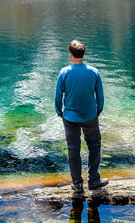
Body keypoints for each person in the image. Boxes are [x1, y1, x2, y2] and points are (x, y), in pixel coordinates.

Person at [55, 39, 109, 194]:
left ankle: (77, 184)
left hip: (70, 117)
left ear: (71, 55)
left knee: (73, 149)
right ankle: (93, 180)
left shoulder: (64, 72)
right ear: (82, 54)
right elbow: (100, 96)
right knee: (94, 145)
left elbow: (58, 96)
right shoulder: (93, 72)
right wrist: (98, 110)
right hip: (90, 116)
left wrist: (60, 112)